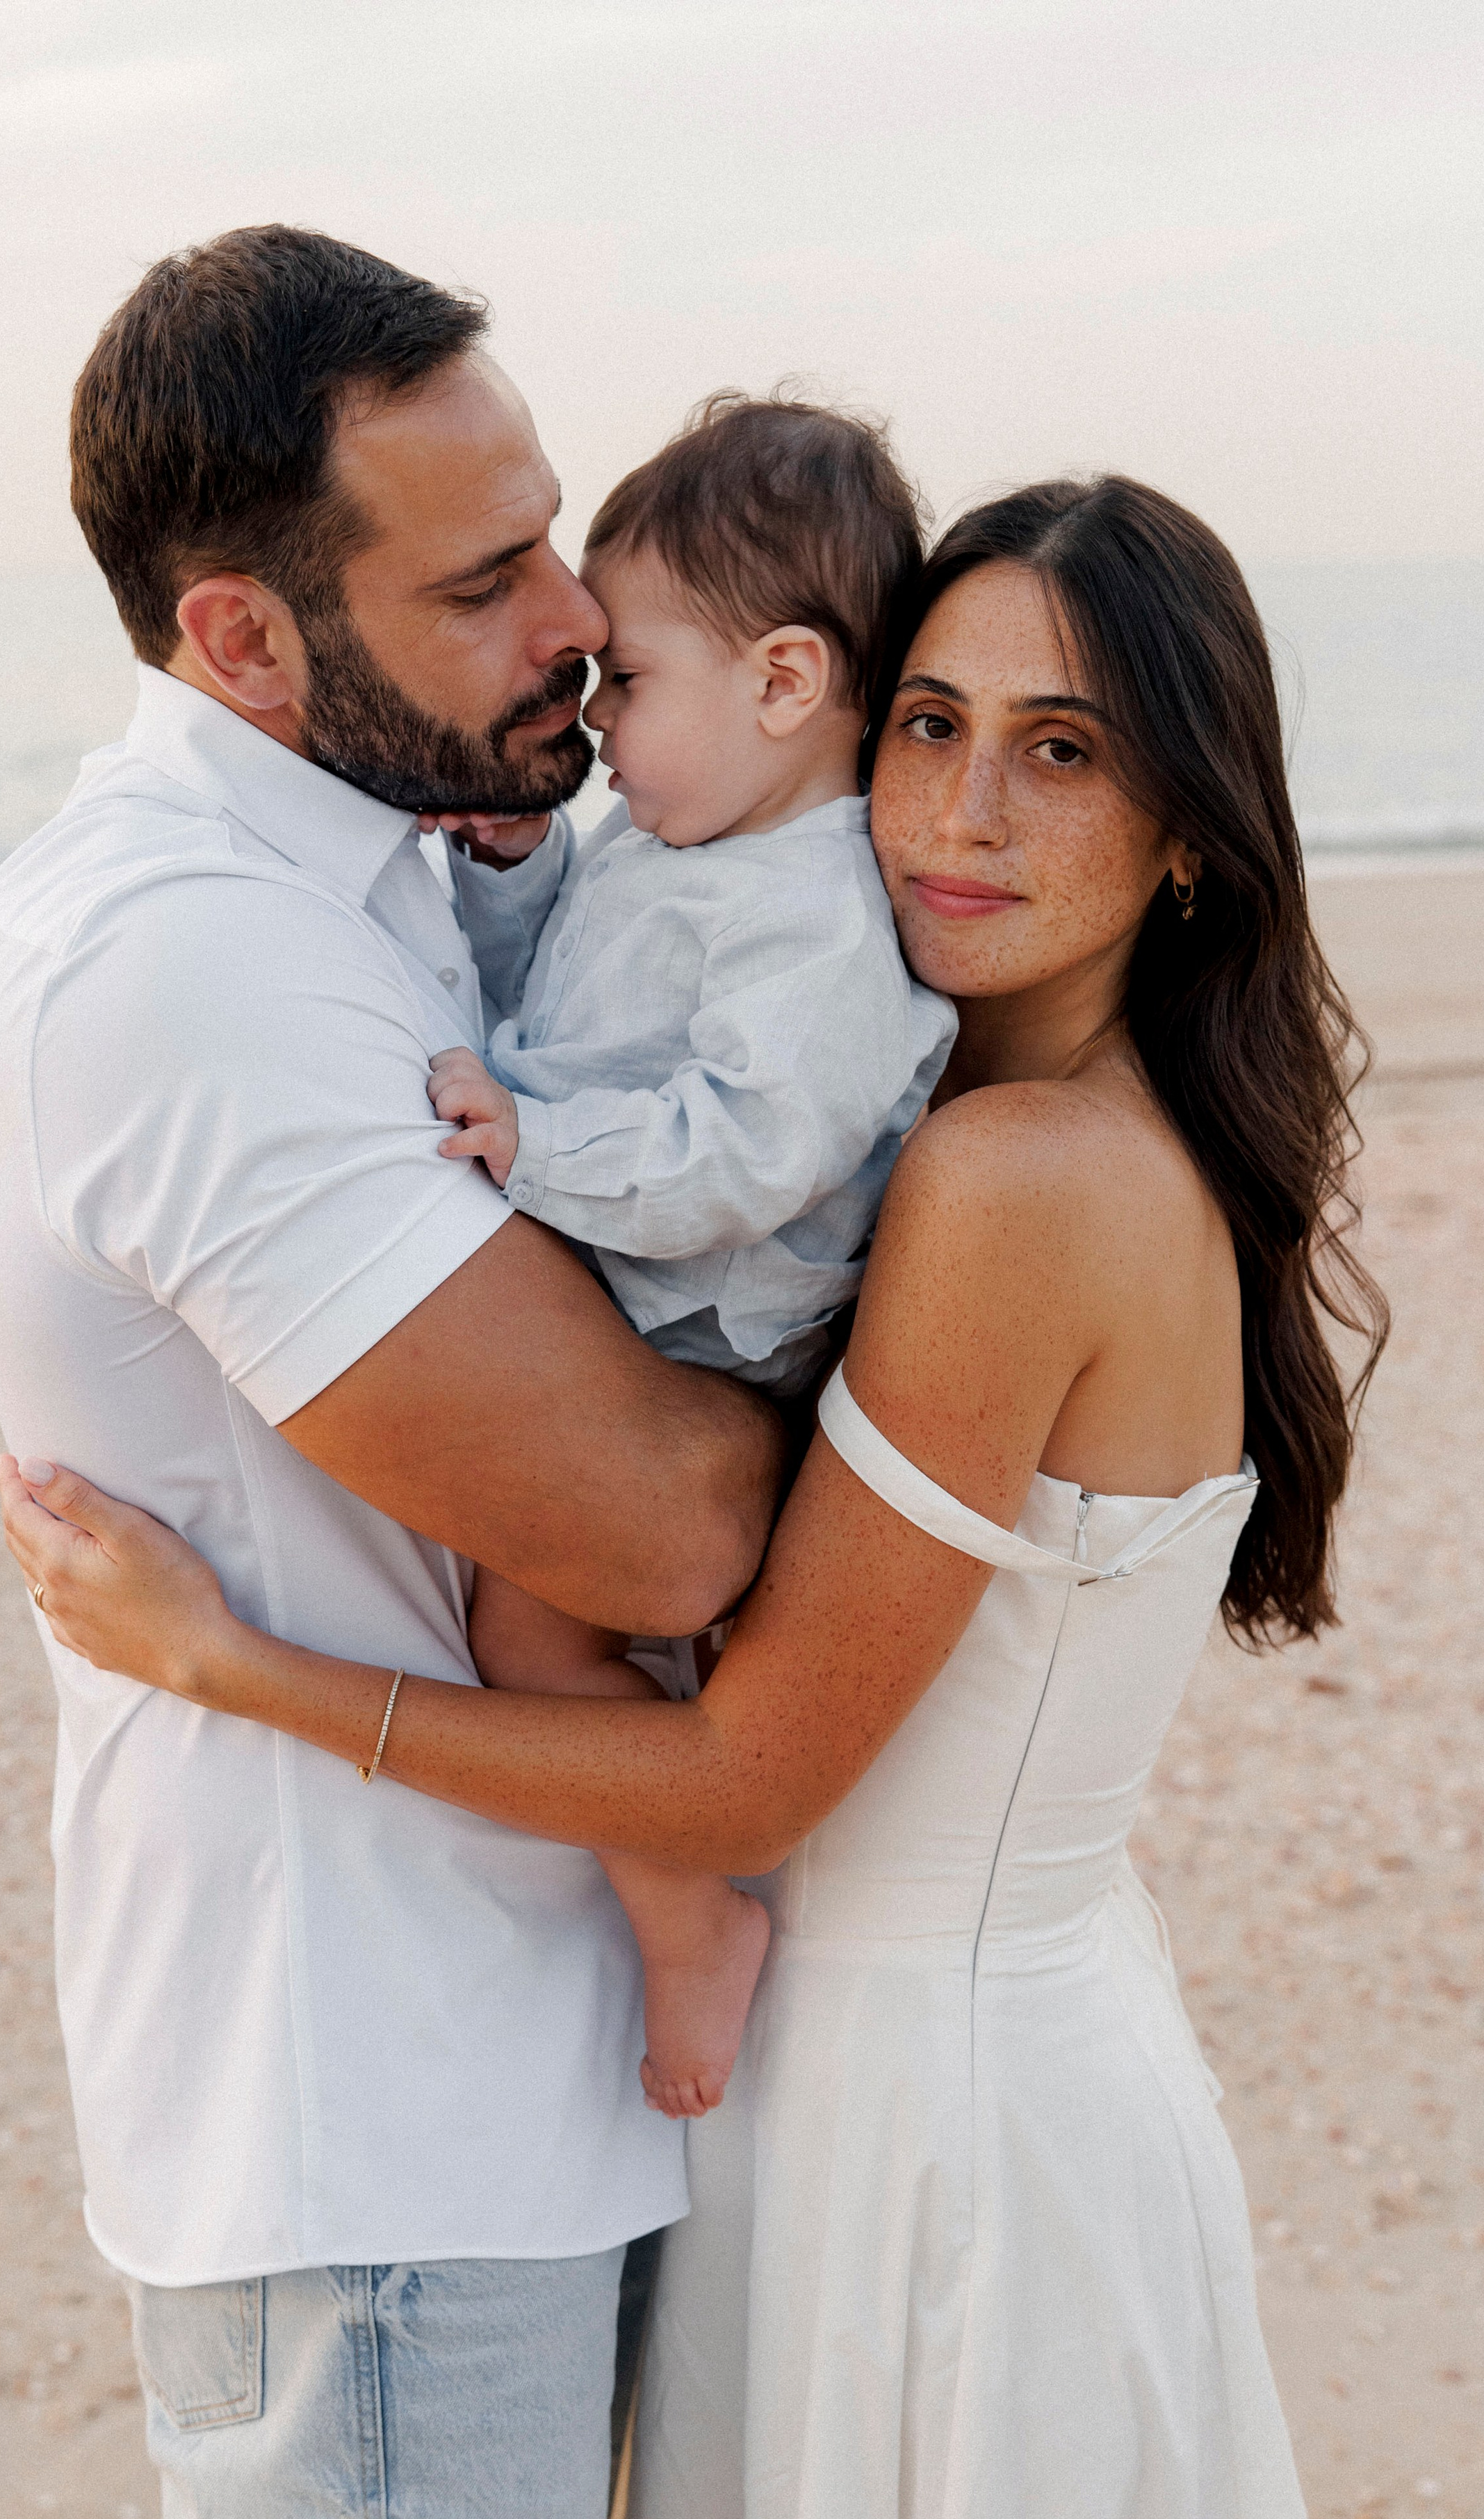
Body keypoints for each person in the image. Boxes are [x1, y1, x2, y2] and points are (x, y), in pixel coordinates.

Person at [0, 473, 1389, 2519]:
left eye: (1063, 751)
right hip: (901, 2091)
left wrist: (230, 1664)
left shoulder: (1020, 1183)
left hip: (943, 2152)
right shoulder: (976, 1135)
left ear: (1192, 828)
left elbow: (748, 1790)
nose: (957, 810)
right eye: (929, 725)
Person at [0, 225, 783, 2519]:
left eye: (557, 537)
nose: (579, 625)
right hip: (377, 2112)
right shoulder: (187, 959)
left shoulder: (385, 867)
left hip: (510, 2068)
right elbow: (656, 1508)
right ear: (242, 639)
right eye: (489, 579)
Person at [422, 395, 956, 2119]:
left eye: (627, 683)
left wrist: (534, 1142)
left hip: (703, 1339)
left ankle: (684, 1927)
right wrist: (510, 874)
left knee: (532, 1637)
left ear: (785, 684)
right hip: (623, 1294)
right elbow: (560, 995)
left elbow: (745, 1152)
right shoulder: (677, 843)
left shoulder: (816, 916)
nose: (594, 719)